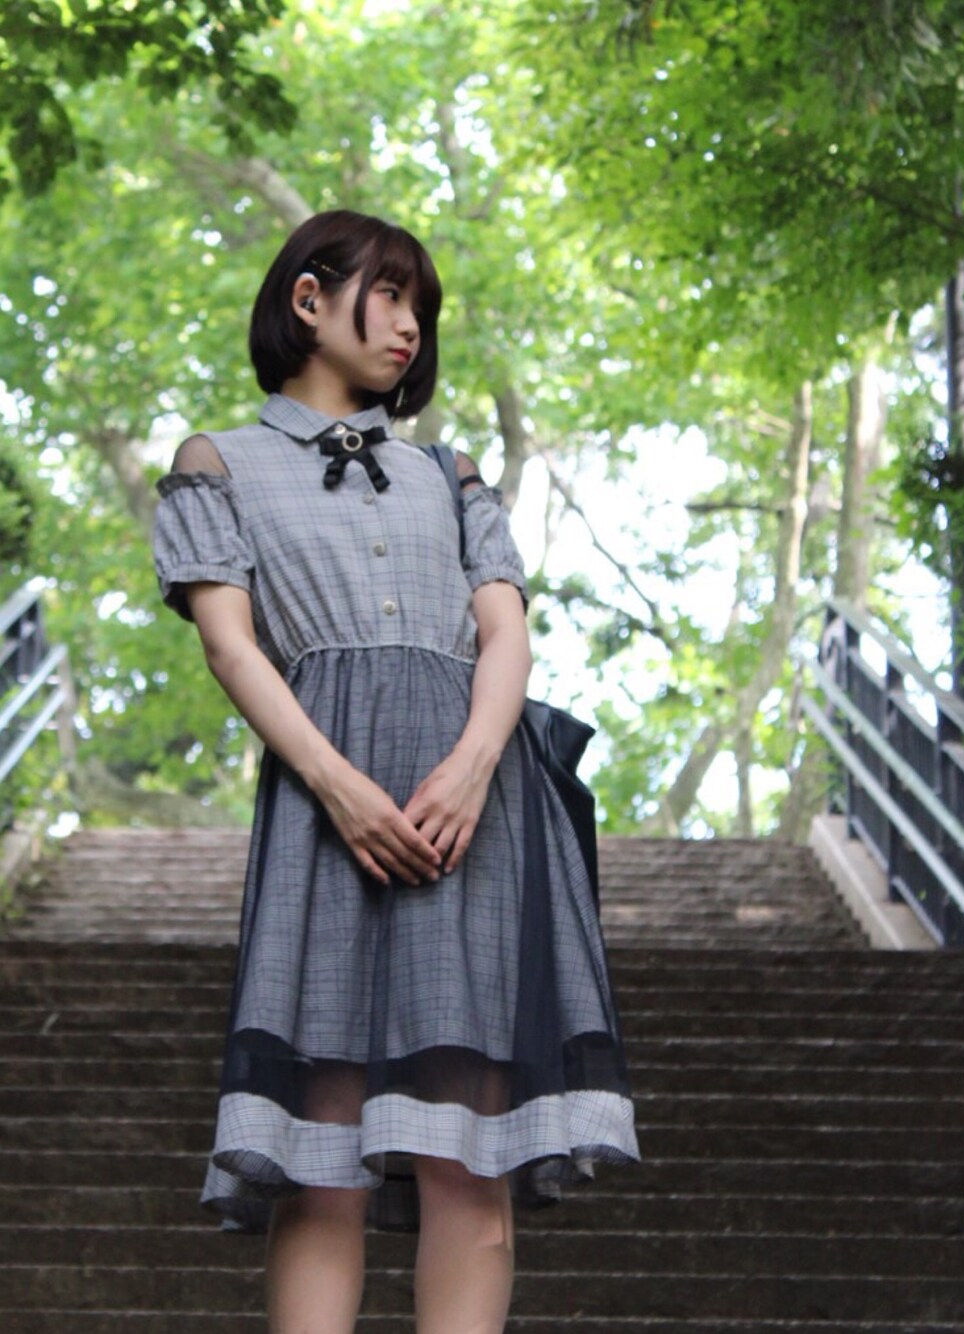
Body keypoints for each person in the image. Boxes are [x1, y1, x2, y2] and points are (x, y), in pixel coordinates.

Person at [152, 208, 638, 1333]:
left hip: (480, 814)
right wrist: (337, 787)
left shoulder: (447, 470)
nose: (411, 323)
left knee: (469, 1159)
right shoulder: (217, 462)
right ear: (309, 299)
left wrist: (473, 766)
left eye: (423, 306)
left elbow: (506, 633)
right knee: (322, 1159)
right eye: (390, 294)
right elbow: (231, 646)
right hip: (327, 813)